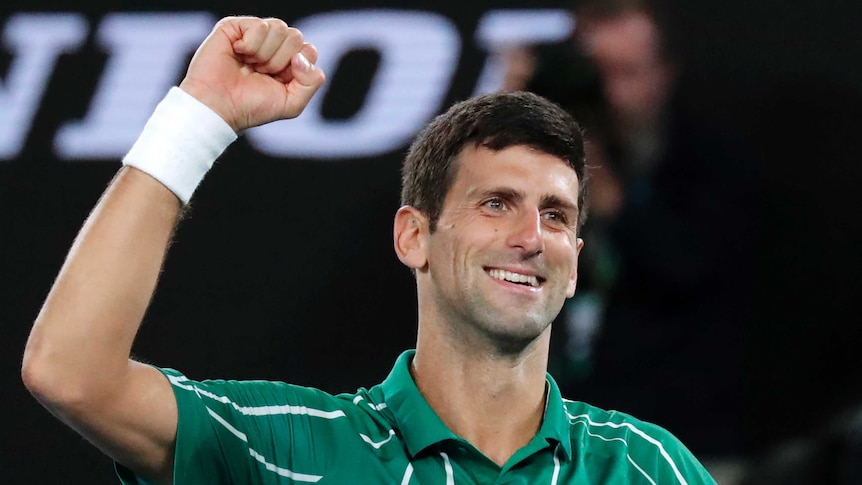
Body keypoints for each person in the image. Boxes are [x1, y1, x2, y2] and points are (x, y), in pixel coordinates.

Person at [21, 16, 716, 484]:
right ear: (413, 235)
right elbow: (71, 372)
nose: (532, 238)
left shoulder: (649, 465)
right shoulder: (299, 449)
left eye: (556, 215)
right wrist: (199, 117)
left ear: (574, 260)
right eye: (496, 203)